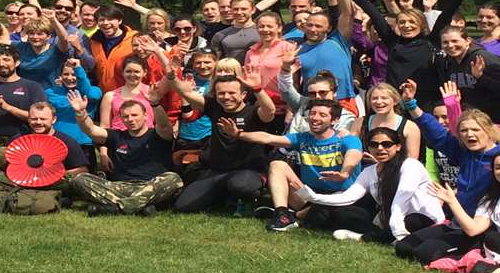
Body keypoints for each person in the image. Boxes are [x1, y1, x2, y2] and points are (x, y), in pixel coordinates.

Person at [241, 99, 365, 234]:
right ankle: (282, 214)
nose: (315, 118)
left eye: (322, 115)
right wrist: (238, 134)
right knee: (277, 165)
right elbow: (268, 138)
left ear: (334, 120)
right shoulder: (302, 138)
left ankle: (295, 216)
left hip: (338, 198)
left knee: (324, 215)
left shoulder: (347, 139)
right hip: (309, 195)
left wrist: (345, 173)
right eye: (312, 113)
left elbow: (353, 155)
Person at [173, 74, 278, 213]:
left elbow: (270, 111)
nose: (226, 97)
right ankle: (226, 199)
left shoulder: (254, 112)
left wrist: (258, 89)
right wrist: (171, 73)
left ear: (243, 95)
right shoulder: (214, 107)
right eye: (221, 93)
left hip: (249, 171)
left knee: (241, 186)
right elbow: (185, 92)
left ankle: (248, 198)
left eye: (232, 93)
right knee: (183, 206)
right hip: (217, 171)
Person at [69, 94, 184, 215]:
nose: (130, 119)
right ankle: (139, 206)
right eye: (126, 116)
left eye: (134, 115)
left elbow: (165, 126)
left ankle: (116, 208)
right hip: (118, 188)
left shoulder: (158, 134)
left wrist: (155, 104)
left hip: (151, 186)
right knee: (80, 179)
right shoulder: (115, 136)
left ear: (145, 116)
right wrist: (81, 113)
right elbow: (91, 130)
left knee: (173, 179)